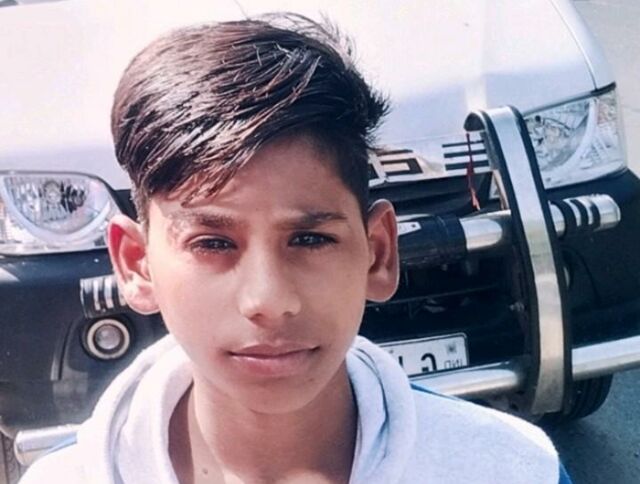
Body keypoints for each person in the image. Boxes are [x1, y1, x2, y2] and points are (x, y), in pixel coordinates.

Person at [20, 13, 572, 484]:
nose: (268, 300)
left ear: (379, 253)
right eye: (212, 243)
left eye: (310, 239)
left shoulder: (511, 470)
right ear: (137, 265)